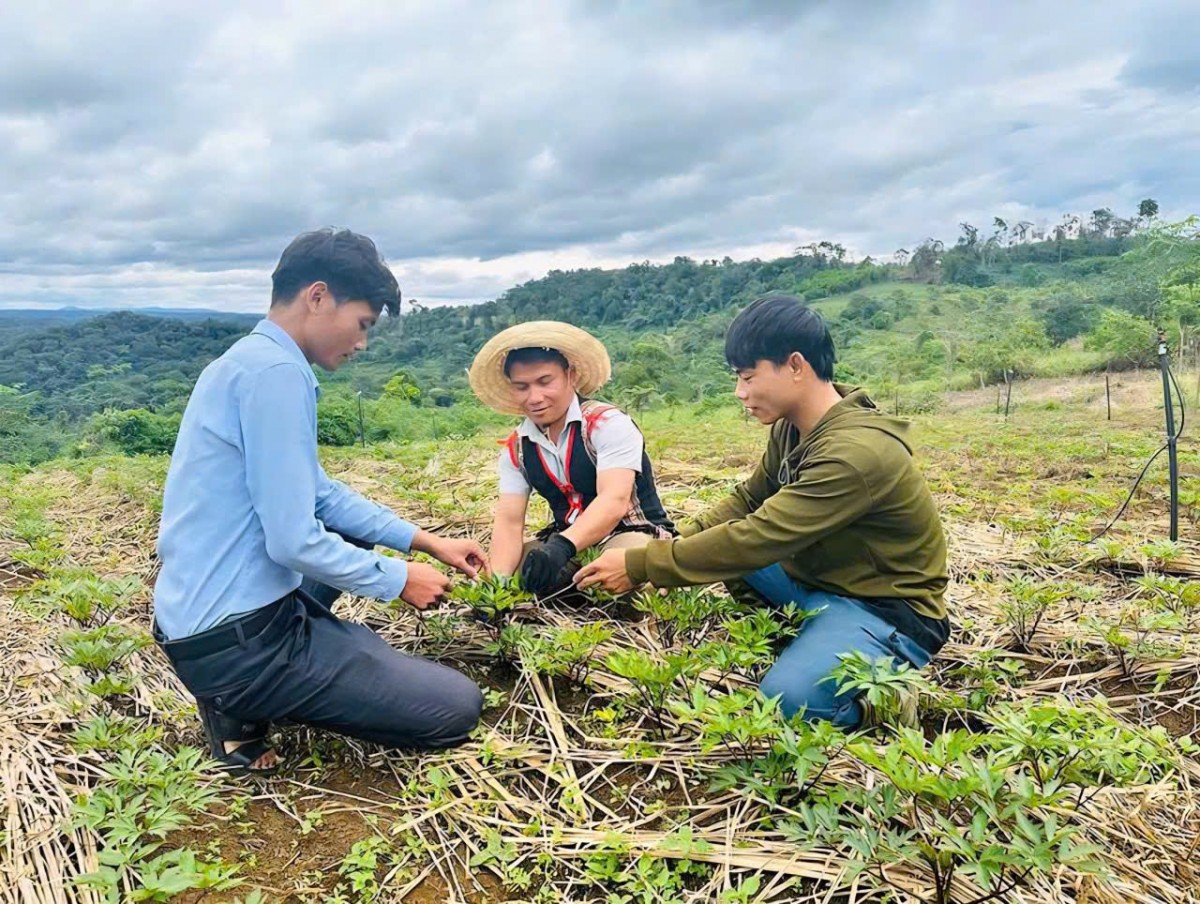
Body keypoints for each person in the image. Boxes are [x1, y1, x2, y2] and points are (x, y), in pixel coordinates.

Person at [152, 228, 486, 776]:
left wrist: (426, 542)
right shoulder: (277, 374)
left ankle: (262, 679)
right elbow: (291, 541)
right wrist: (398, 579)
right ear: (317, 296)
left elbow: (319, 494)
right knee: (454, 708)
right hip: (239, 647)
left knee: (352, 530)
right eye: (363, 323)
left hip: (198, 626)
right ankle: (240, 703)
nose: (362, 343)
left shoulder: (247, 361)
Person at [577, 294, 949, 728]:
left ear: (795, 366)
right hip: (817, 581)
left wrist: (644, 563)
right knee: (723, 552)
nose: (741, 392)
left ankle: (882, 696)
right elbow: (749, 501)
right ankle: (806, 646)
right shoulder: (794, 428)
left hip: (885, 610)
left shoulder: (855, 454)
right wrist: (675, 543)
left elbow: (757, 538)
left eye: (748, 376)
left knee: (788, 703)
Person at [468, 321, 674, 596]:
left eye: (545, 382)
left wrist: (561, 547)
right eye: (522, 387)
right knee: (521, 573)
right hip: (567, 539)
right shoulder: (518, 448)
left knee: (624, 574)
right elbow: (509, 520)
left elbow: (613, 500)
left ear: (571, 375)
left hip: (628, 532)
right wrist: (498, 587)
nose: (535, 397)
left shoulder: (605, 424)